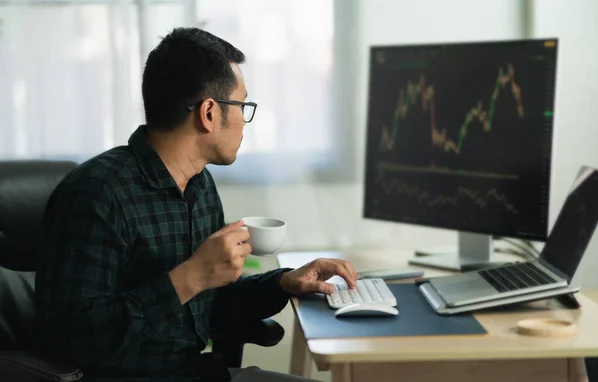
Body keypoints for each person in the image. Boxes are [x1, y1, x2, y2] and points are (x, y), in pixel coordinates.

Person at [33, 27, 359, 382]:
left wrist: (282, 283)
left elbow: (212, 302)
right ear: (208, 113)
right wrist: (189, 277)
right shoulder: (96, 194)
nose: (244, 122)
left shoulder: (199, 185)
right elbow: (73, 337)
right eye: (242, 106)